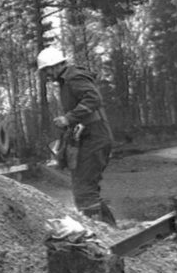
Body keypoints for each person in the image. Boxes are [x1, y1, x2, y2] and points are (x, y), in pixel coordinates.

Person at [37, 47, 117, 226]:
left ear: (55, 66)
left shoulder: (73, 77)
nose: (47, 75)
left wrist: (68, 118)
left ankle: (100, 231)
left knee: (84, 189)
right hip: (89, 137)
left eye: (47, 70)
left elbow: (93, 99)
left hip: (95, 138)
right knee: (85, 187)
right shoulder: (68, 80)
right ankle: (110, 229)